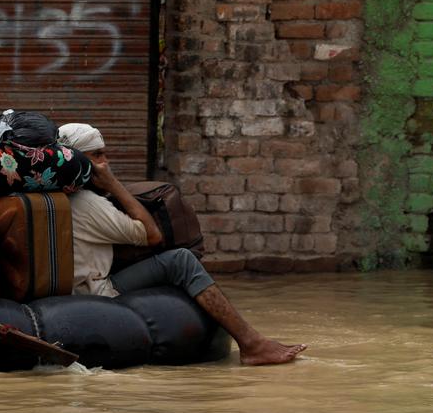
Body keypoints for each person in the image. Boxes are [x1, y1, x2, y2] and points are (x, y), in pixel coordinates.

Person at [57, 123, 306, 366]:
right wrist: (113, 184)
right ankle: (252, 344)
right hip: (91, 293)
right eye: (97, 155)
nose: (106, 162)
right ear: (79, 162)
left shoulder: (53, 195)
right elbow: (151, 235)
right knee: (181, 260)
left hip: (66, 288)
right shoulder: (86, 203)